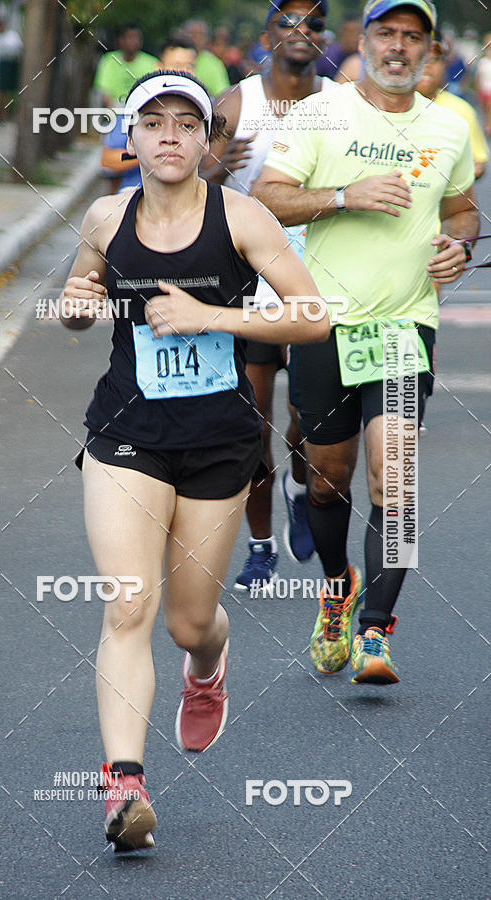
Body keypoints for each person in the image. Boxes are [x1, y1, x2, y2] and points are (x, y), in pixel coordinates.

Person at [59, 71, 328, 851]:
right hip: (125, 435)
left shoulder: (241, 216)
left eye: (188, 122)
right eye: (154, 121)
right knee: (127, 608)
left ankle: (207, 668)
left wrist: (211, 313)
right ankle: (125, 788)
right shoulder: (106, 216)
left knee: (187, 622)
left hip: (219, 443)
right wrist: (78, 307)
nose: (170, 135)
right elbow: (86, 291)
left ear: (210, 141)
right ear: (131, 138)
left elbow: (311, 315)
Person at [252, 0, 479, 684]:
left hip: (403, 326)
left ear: (429, 48)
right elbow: (266, 195)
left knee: (397, 479)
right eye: (388, 33)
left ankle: (376, 633)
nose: (400, 47)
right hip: (322, 323)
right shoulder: (322, 112)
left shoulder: (450, 125)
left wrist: (458, 247)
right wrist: (345, 195)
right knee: (326, 482)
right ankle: (336, 587)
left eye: (414, 37)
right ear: (366, 39)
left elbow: (463, 208)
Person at [203, 0, 335, 591]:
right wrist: (212, 170)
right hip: (250, 285)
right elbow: (183, 187)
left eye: (313, 22)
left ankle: (302, 487)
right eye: (288, 21)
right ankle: (260, 548)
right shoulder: (236, 103)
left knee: (308, 421)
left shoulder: (342, 100)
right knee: (251, 424)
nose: (300, 31)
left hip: (322, 281)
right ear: (267, 35)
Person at [100, 33, 197, 193]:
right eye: (176, 65)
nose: (183, 73)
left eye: (190, 66)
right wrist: (149, 154)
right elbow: (108, 160)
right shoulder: (135, 107)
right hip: (134, 195)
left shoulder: (207, 109)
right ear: (159, 67)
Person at [417, 37, 488, 180]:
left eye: (435, 60)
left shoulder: (462, 110)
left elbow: (479, 164)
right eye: (421, 59)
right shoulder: (387, 106)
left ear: (445, 65)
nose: (427, 66)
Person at [93, 23, 158, 106]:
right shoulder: (109, 60)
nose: (134, 42)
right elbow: (104, 94)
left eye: (136, 38)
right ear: (121, 40)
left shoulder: (151, 62)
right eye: (130, 38)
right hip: (115, 111)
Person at [183, 19, 230, 96]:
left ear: (206, 39)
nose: (195, 39)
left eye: (200, 35)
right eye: (192, 34)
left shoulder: (214, 64)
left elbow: (223, 96)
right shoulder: (172, 57)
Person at [317, 13, 362, 80]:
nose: (352, 38)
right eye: (348, 32)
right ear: (340, 33)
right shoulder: (327, 57)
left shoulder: (366, 59)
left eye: (356, 32)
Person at [0, 17, 23, 120]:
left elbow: (19, 48)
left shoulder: (12, 35)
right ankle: (1, 114)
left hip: (12, 63)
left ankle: (14, 113)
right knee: (2, 91)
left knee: (14, 90)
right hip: (2, 64)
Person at [475, 36, 491, 137]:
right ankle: (485, 125)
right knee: (484, 109)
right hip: (483, 89)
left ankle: (488, 127)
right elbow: (478, 77)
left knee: (490, 108)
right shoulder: (483, 62)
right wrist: (478, 89)